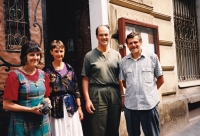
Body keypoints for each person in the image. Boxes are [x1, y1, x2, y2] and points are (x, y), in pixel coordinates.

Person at [81, 25, 124, 136]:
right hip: (97, 93)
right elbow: (85, 79)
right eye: (101, 35)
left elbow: (120, 78)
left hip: (114, 93)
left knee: (114, 128)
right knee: (99, 129)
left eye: (106, 35)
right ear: (96, 36)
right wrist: (87, 100)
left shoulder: (116, 55)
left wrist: (122, 96)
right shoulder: (89, 56)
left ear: (109, 36)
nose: (104, 37)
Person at [119, 32, 164, 136]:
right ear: (127, 45)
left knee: (152, 134)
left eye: (135, 42)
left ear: (141, 42)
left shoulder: (152, 57)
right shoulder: (124, 62)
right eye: (130, 43)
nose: (133, 45)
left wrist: (150, 91)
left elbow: (161, 79)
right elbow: (123, 81)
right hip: (131, 106)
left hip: (149, 105)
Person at [3, 41, 51, 136]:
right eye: (32, 55)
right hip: (22, 124)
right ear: (25, 56)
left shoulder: (43, 75)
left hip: (41, 124)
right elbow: (6, 105)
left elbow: (46, 97)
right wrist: (30, 110)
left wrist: (47, 103)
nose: (35, 58)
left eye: (38, 55)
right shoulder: (15, 76)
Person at [43, 40, 84, 136]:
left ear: (64, 51)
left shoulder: (70, 69)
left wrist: (79, 108)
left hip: (71, 106)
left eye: (61, 51)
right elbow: (45, 91)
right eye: (56, 51)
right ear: (51, 52)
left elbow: (76, 89)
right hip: (55, 108)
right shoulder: (47, 71)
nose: (59, 54)